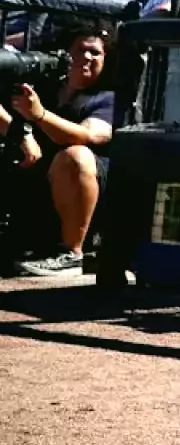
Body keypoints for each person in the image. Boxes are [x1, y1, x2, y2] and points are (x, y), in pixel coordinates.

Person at [1, 22, 115, 276]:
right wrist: (22, 135)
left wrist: (39, 115)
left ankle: (71, 254)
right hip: (36, 180)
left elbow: (87, 135)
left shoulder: (107, 97)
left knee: (75, 155)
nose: (86, 57)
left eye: (95, 53)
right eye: (80, 50)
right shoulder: (45, 84)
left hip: (84, 188)